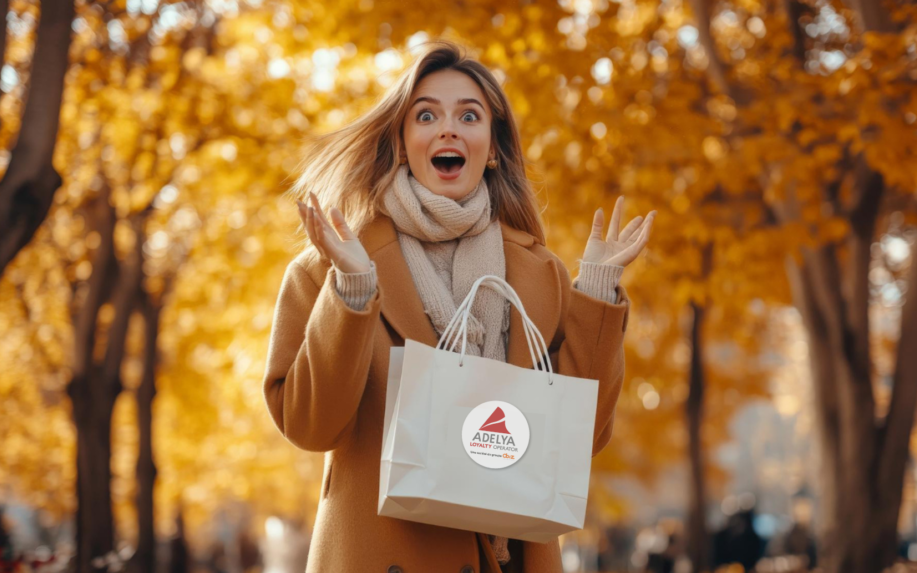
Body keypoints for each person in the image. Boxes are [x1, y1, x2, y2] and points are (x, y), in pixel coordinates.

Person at [262, 39, 656, 573]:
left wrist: (598, 290)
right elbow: (311, 427)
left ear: (491, 147)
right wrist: (352, 290)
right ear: (402, 143)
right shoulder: (331, 267)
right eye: (426, 115)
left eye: (469, 115)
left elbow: (581, 438)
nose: (448, 128)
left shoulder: (542, 277)